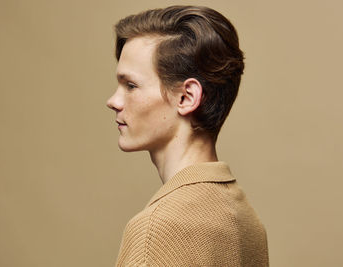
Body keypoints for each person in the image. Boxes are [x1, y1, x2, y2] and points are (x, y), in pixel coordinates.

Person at [106, 5, 269, 266]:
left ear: (186, 97)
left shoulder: (156, 228)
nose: (113, 101)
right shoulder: (245, 219)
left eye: (131, 85)